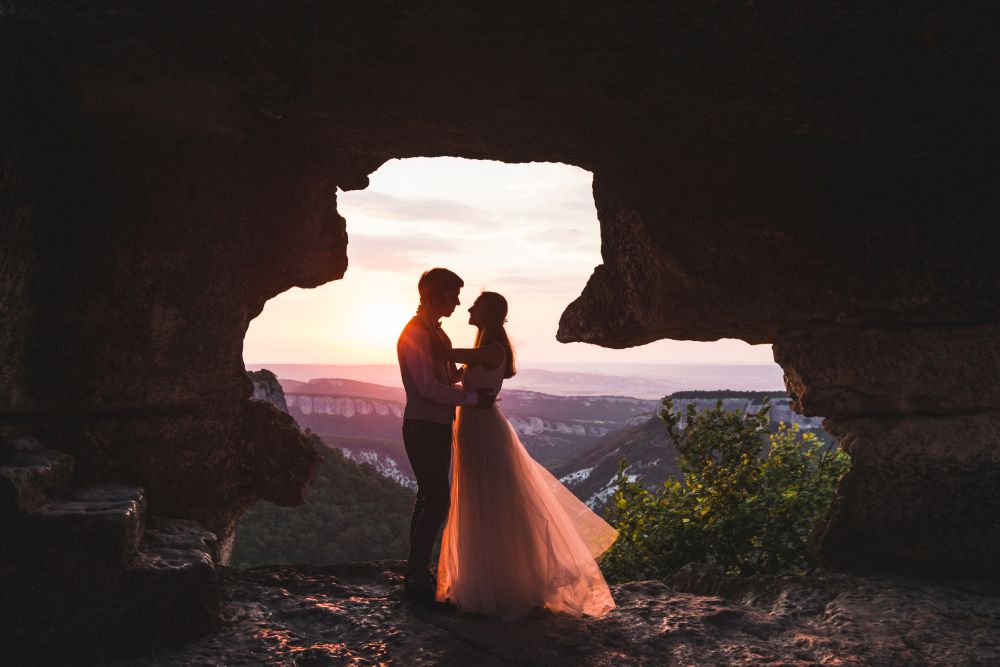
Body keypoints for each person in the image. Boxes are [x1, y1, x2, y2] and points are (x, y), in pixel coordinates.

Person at [434, 291, 618, 620]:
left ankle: (502, 583)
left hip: (482, 427)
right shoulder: (483, 350)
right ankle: (494, 578)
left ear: (490, 312)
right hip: (473, 424)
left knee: (490, 500)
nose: (470, 308)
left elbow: (445, 352)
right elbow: (454, 373)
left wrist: (431, 333)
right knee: (481, 498)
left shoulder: (491, 349)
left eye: (477, 305)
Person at [396, 268, 496, 605]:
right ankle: (416, 577)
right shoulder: (416, 334)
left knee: (428, 496)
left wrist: (471, 371)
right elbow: (427, 388)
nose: (457, 302)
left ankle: (416, 571)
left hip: (434, 425)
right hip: (423, 425)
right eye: (452, 295)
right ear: (434, 296)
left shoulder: (434, 332)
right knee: (437, 501)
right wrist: (474, 399)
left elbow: (442, 377)